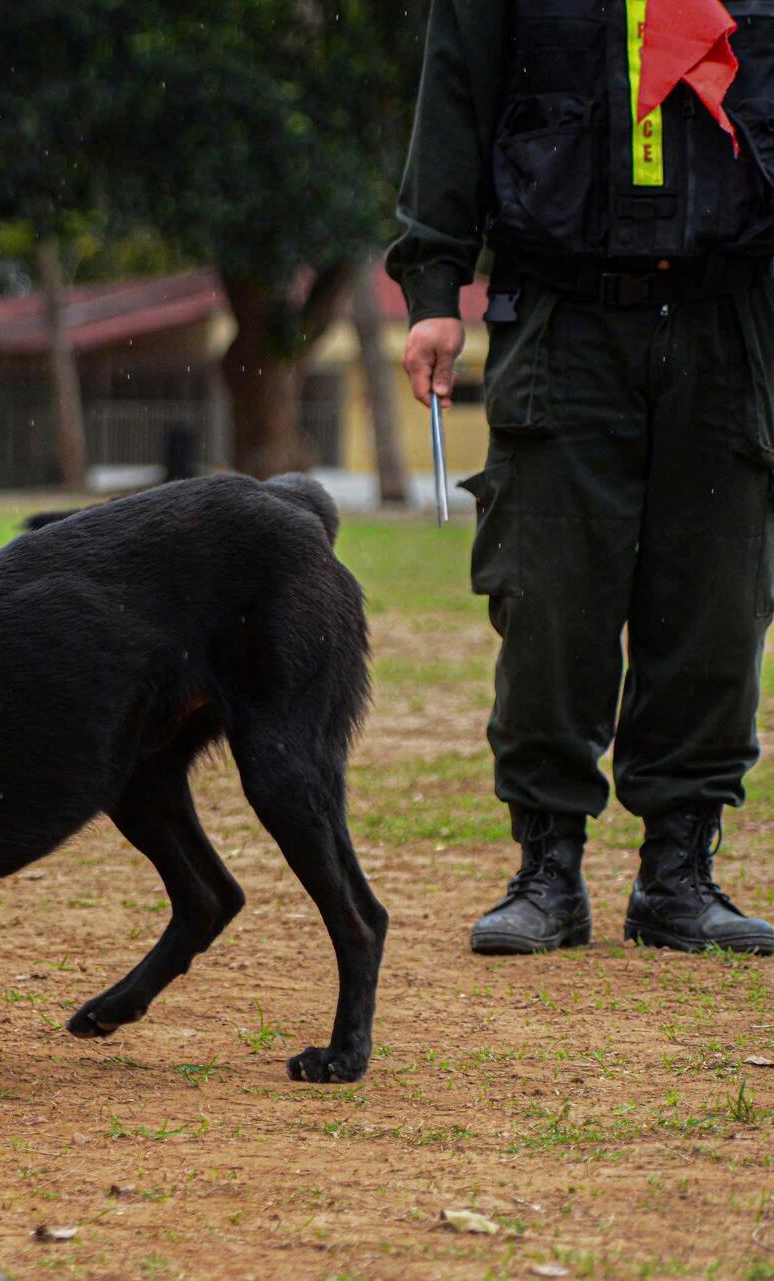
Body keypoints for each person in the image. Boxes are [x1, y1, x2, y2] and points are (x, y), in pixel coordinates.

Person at [390, 0, 774, 956]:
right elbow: (453, 106)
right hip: (564, 316)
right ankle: (546, 870)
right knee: (550, 592)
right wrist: (436, 290)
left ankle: (679, 873)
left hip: (730, 319)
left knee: (718, 598)